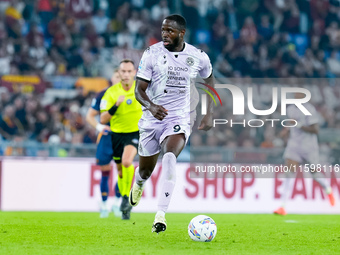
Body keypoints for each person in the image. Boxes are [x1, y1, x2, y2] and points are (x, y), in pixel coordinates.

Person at [129, 14, 215, 233]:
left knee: (169, 157)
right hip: (151, 119)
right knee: (146, 171)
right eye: (163, 30)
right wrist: (151, 106)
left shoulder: (198, 56)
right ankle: (138, 183)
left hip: (179, 116)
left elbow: (209, 79)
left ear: (182, 33)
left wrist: (209, 112)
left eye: (170, 31)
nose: (165, 34)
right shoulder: (152, 54)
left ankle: (160, 215)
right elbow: (138, 90)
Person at [274, 93, 335, 215]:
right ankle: (282, 206)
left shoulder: (309, 109)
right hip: (294, 145)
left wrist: (298, 124)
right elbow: (291, 125)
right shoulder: (290, 109)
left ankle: (328, 189)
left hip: (309, 147)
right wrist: (285, 131)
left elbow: (315, 130)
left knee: (315, 174)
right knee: (289, 174)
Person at [100, 59, 142, 220]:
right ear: (119, 73)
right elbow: (103, 119)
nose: (126, 74)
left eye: (129, 71)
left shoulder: (141, 89)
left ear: (134, 73)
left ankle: (126, 197)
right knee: (120, 170)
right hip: (116, 135)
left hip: (135, 133)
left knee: (126, 162)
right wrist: (115, 106)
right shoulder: (111, 93)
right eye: (123, 71)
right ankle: (125, 199)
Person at [86, 68, 122, 218]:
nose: (120, 78)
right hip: (107, 137)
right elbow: (90, 116)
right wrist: (100, 127)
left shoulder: (132, 93)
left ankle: (117, 203)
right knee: (105, 172)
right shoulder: (103, 94)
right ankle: (104, 204)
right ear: (111, 78)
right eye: (117, 76)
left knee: (123, 171)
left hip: (123, 137)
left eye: (122, 76)